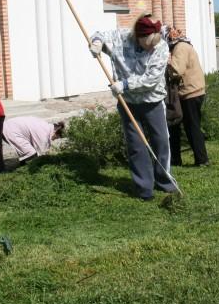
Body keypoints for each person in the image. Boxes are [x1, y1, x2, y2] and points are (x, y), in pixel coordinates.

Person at [89, 13, 177, 201]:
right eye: (147, 43)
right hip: (128, 103)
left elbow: (151, 79)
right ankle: (144, 189)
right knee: (136, 146)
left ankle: (165, 181)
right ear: (138, 36)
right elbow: (99, 34)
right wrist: (96, 43)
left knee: (161, 142)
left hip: (152, 101)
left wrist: (124, 85)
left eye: (154, 43)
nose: (151, 47)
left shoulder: (160, 46)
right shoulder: (122, 37)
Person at [167, 28, 210, 167]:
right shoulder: (183, 45)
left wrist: (167, 62)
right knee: (188, 126)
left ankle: (202, 160)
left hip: (190, 92)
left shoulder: (180, 48)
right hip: (192, 90)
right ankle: (182, 159)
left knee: (192, 127)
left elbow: (177, 71)